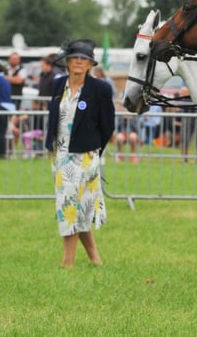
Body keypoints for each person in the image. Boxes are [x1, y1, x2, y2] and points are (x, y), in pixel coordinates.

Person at [45, 39, 115, 268]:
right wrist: (50, 146)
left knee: (70, 206)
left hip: (86, 156)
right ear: (66, 61)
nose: (78, 61)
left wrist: (94, 149)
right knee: (81, 208)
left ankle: (68, 262)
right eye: (74, 57)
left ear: (90, 64)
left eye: (83, 58)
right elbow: (52, 118)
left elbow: (107, 125)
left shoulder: (100, 88)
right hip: (61, 154)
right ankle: (96, 259)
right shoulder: (58, 85)